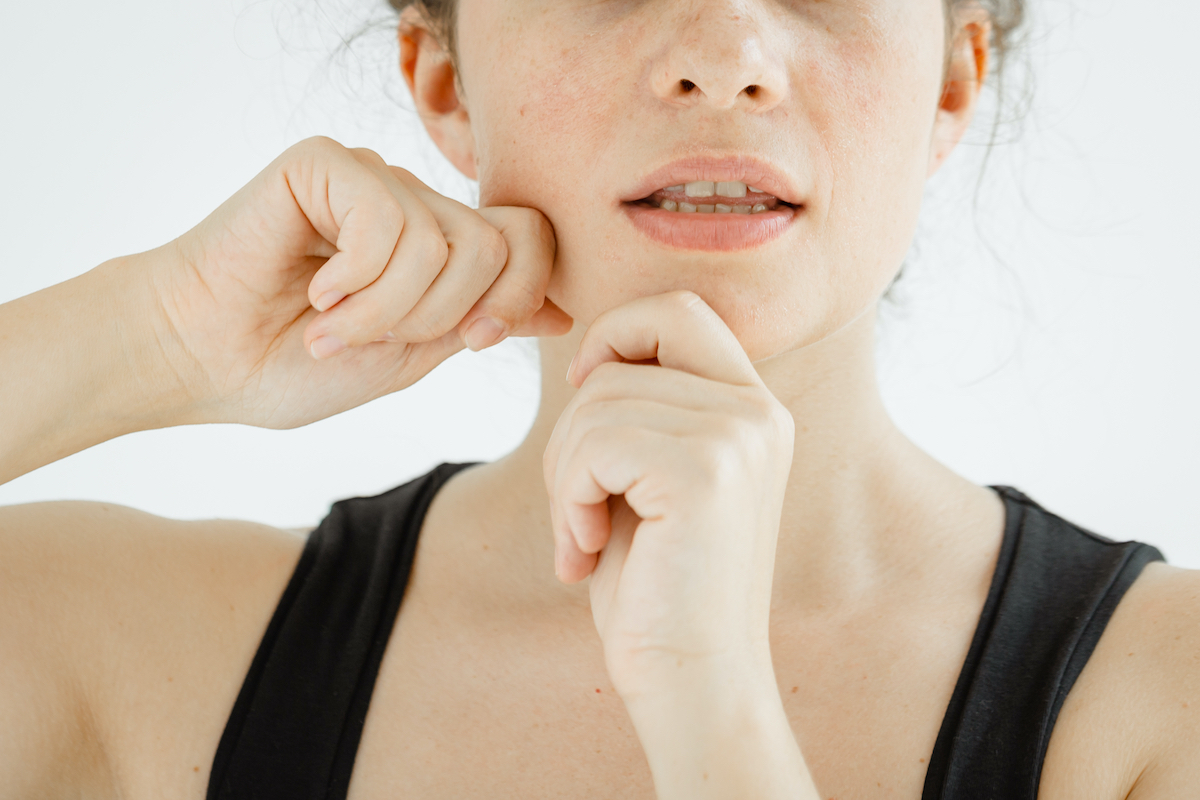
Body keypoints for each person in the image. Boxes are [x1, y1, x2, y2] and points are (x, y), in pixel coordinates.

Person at [0, 0, 1196, 797]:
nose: (724, 52)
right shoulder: (142, 654)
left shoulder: (1160, 698)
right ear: (443, 79)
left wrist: (713, 708)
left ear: (952, 79)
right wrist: (150, 334)